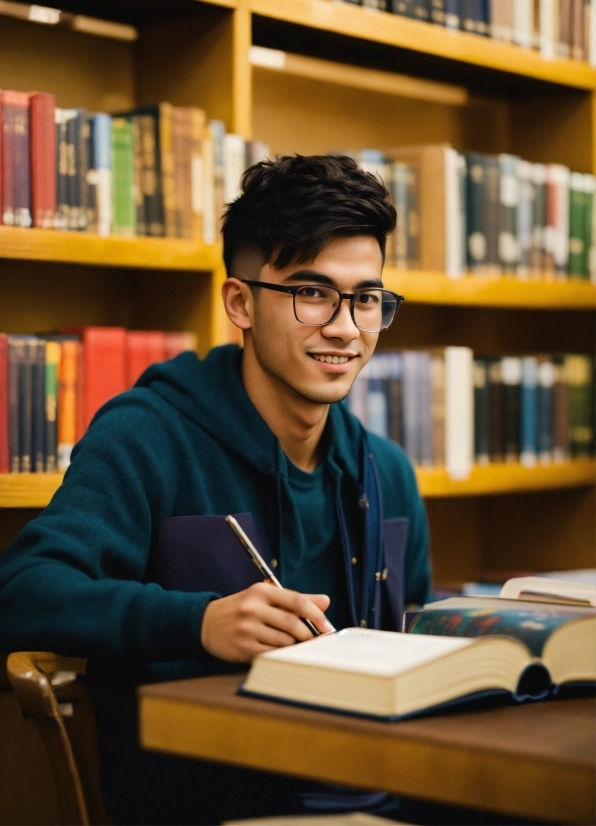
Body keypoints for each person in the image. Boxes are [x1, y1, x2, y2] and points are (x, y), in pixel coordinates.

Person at [0, 155, 432, 824]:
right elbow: (21, 592)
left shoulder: (389, 473)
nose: (345, 327)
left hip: (373, 795)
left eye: (366, 298)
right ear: (241, 303)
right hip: (203, 804)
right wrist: (199, 622)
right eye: (312, 293)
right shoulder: (147, 436)